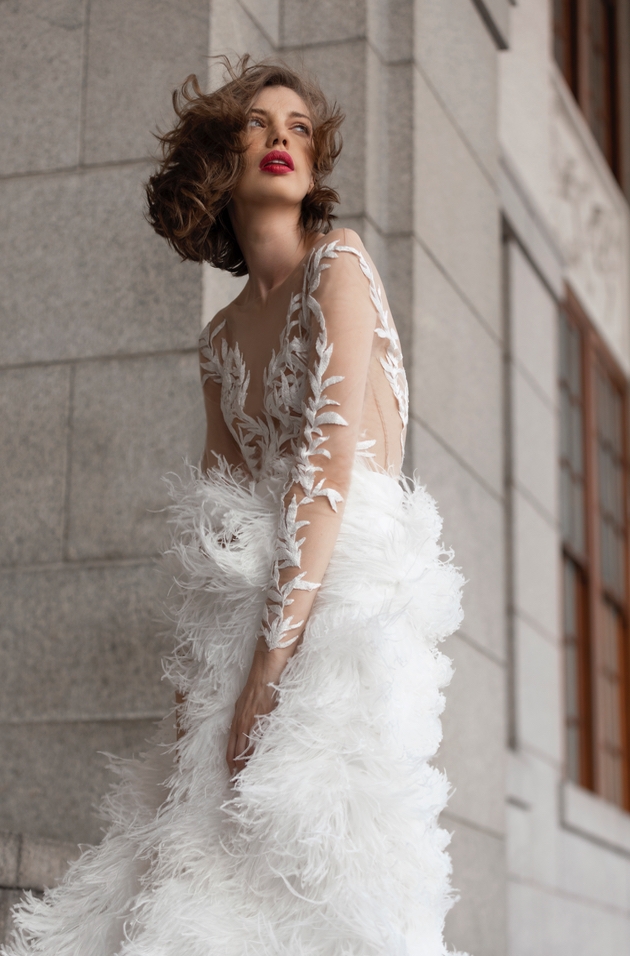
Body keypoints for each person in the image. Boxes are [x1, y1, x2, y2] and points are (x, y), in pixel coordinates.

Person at [3, 57, 465, 956]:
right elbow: (217, 519)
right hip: (245, 611)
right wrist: (201, 689)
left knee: (318, 884)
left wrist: (268, 670)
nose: (282, 139)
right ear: (223, 155)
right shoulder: (219, 339)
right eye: (259, 124)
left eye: (299, 128)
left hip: (342, 604)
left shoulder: (340, 263)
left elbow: (327, 471)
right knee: (194, 873)